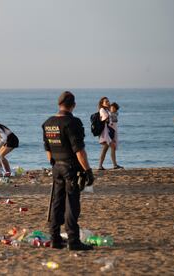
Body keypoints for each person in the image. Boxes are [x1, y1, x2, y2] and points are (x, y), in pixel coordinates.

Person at [42, 91, 94, 251]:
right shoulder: (72, 122)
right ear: (73, 105)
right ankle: (73, 241)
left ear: (59, 104)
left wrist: (53, 162)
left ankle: (55, 238)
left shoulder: (48, 122)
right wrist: (88, 170)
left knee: (57, 203)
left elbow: (47, 147)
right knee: (72, 204)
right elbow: (79, 150)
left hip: (56, 166)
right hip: (71, 167)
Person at [97, 97, 123, 170]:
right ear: (102, 103)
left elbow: (113, 118)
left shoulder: (107, 110)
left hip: (110, 132)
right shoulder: (102, 110)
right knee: (106, 148)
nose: (108, 102)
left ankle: (113, 165)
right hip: (106, 132)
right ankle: (101, 166)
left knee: (110, 148)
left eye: (108, 101)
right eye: (106, 101)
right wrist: (109, 116)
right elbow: (104, 118)